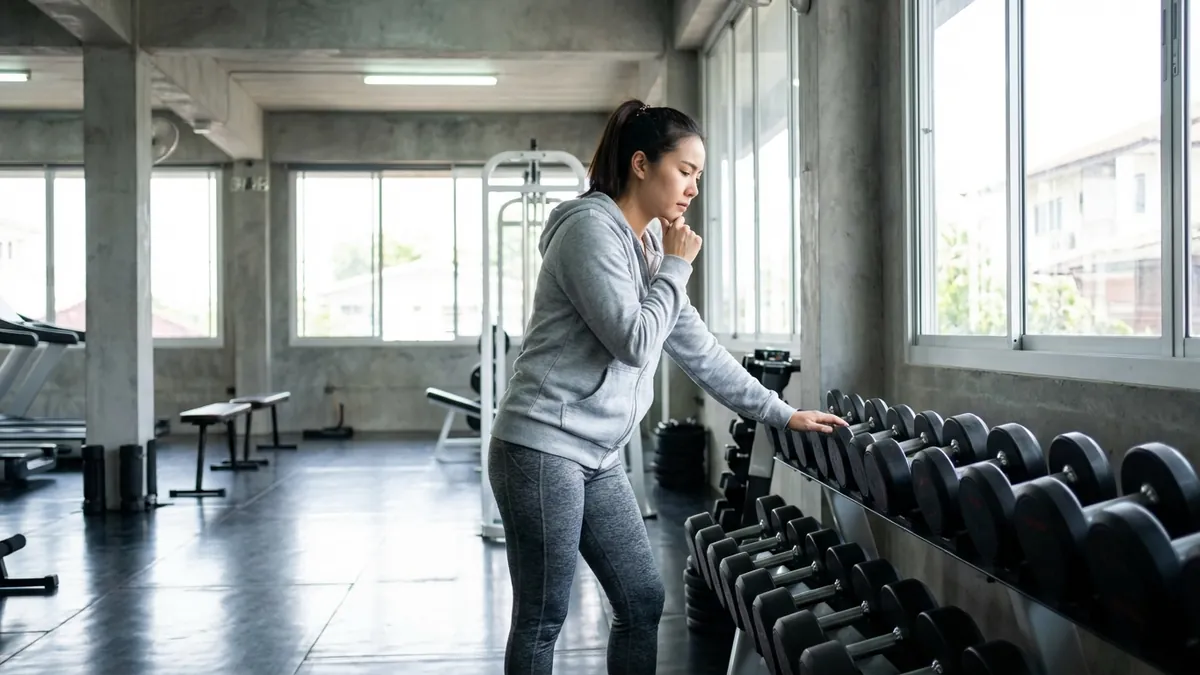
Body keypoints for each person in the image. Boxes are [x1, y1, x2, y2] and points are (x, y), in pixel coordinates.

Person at [486, 99, 849, 675]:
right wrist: (678, 269)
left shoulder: (650, 246)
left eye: (698, 176)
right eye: (685, 171)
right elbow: (634, 340)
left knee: (640, 599)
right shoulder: (588, 232)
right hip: (541, 448)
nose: (693, 189)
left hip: (597, 455)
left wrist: (781, 413)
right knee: (543, 615)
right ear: (640, 164)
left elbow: (696, 347)